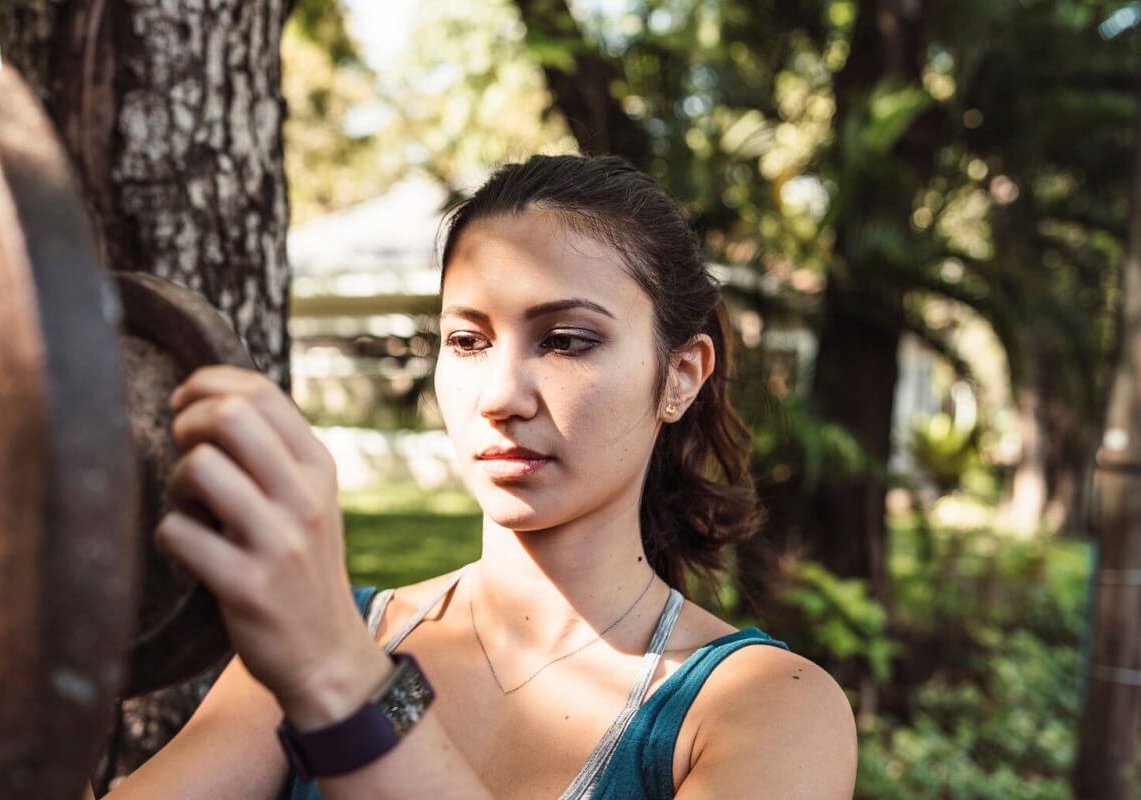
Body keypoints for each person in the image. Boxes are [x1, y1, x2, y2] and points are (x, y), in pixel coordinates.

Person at [106, 154, 857, 799]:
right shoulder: (330, 637)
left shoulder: (769, 708)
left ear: (681, 376)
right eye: (467, 340)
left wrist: (341, 676)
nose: (499, 395)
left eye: (566, 341)